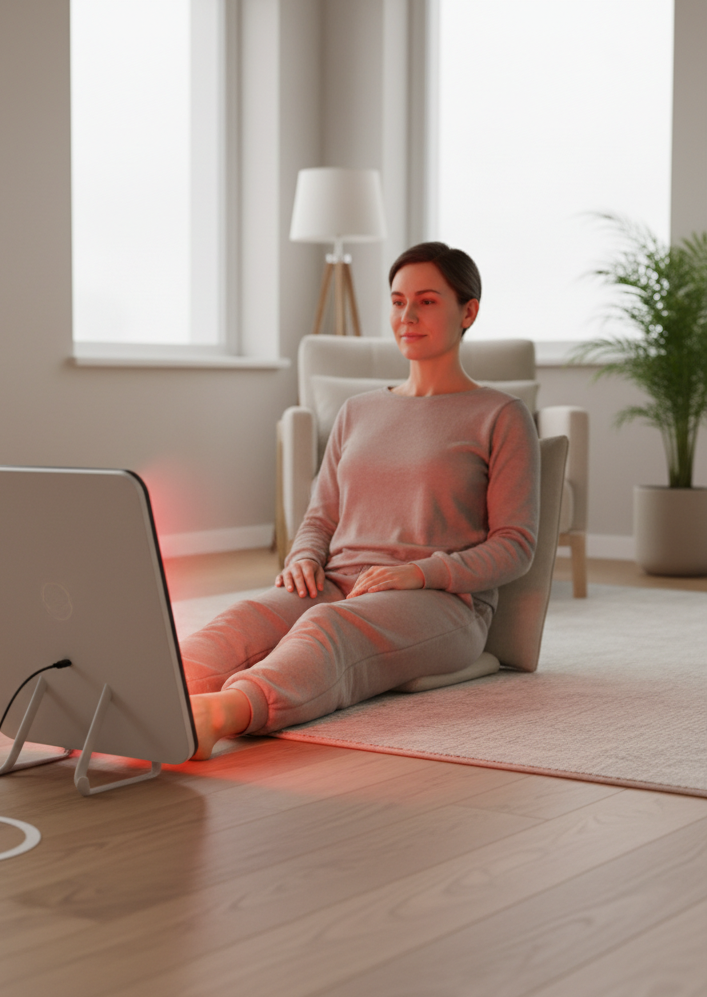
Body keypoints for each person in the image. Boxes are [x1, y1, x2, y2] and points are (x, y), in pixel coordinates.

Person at [183, 242, 540, 759]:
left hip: (443, 604)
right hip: (338, 581)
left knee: (328, 627)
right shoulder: (358, 411)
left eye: (426, 301)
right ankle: (136, 697)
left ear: (468, 311)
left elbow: (515, 545)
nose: (407, 316)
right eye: (397, 302)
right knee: (246, 618)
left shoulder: (501, 415)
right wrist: (304, 557)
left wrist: (420, 574)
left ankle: (221, 715)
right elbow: (320, 515)